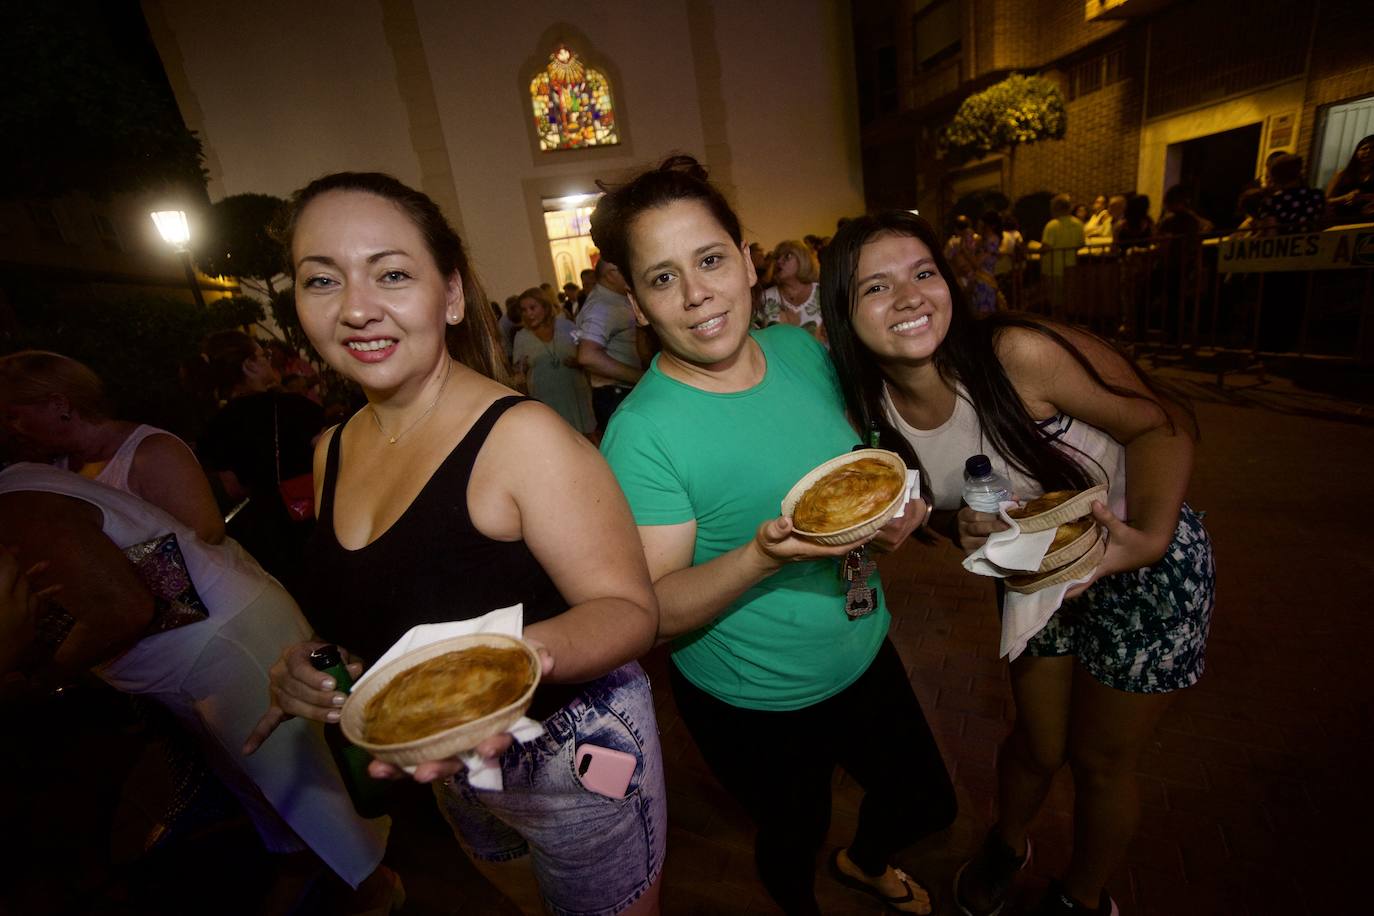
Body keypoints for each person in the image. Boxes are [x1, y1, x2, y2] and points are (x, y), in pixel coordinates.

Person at [245, 171, 664, 916]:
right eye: (321, 280)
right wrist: (327, 668)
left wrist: (493, 673)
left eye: (392, 274)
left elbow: (628, 609)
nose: (357, 308)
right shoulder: (330, 449)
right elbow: (388, 610)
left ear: (450, 295)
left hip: (569, 754)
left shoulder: (521, 438)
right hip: (444, 764)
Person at [818, 210, 1215, 916]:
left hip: (1143, 563)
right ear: (844, 317)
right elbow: (947, 500)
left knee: (1100, 761)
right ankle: (1008, 842)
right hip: (1033, 572)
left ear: (948, 282)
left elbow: (1162, 425)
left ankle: (1083, 897)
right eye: (875, 287)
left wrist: (1147, 539)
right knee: (1036, 741)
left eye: (923, 272)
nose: (909, 296)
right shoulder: (868, 414)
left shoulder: (1017, 355)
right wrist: (953, 523)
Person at [592, 156, 953, 916]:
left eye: (711, 259)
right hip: (753, 697)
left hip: (862, 643)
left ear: (747, 258)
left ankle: (865, 861)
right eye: (662, 278)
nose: (696, 295)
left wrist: (898, 513)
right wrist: (762, 556)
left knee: (928, 802)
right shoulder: (644, 434)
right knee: (794, 832)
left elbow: (857, 469)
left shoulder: (800, 352)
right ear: (635, 295)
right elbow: (651, 609)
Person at [0, 462, 394, 907]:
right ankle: (305, 867)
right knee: (256, 780)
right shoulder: (22, 486)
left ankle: (375, 887)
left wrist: (35, 677)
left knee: (299, 780)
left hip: (221, 641)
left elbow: (124, 608)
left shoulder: (17, 502)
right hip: (192, 656)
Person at [0, 351, 224, 544]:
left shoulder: (152, 452)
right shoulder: (58, 469)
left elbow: (206, 534)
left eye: (13, 417)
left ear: (59, 404)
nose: (10, 430)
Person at [196, 330, 325, 594]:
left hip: (264, 534)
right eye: (263, 355)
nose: (269, 360)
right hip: (313, 520)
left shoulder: (216, 425)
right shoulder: (294, 407)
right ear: (249, 365)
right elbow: (331, 461)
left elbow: (233, 488)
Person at [511, 285, 595, 436]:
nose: (529, 314)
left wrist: (578, 362)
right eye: (524, 310)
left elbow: (587, 357)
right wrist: (520, 369)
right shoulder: (521, 337)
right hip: (545, 400)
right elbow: (518, 373)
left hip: (574, 396)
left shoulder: (568, 327)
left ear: (544, 306)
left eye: (532, 308)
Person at [575, 258, 644, 431]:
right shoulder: (601, 306)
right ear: (612, 275)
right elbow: (588, 356)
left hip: (621, 392)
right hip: (616, 394)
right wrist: (641, 377)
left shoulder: (613, 300)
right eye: (627, 270)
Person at [757, 238, 827, 343]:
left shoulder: (824, 293)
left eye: (787, 256)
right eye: (777, 258)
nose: (779, 262)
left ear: (803, 260)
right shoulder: (765, 298)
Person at [1039, 194, 1085, 316]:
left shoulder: (1052, 225)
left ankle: (1058, 327)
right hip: (1071, 266)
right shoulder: (1079, 224)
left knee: (1056, 302)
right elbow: (1081, 244)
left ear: (1055, 209)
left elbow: (1046, 247)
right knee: (1069, 299)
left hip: (1054, 269)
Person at [1259, 154, 1324, 233]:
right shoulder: (1317, 195)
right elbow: (1326, 223)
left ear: (1275, 177)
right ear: (1299, 172)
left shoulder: (1271, 202)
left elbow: (1271, 235)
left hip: (1284, 245)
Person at [1325, 134, 1374, 224]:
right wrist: (1345, 197)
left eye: (1373, 149)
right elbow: (1326, 201)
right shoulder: (1342, 174)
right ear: (1357, 151)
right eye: (1364, 148)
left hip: (1367, 223)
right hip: (1341, 221)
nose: (1368, 152)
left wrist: (1365, 197)